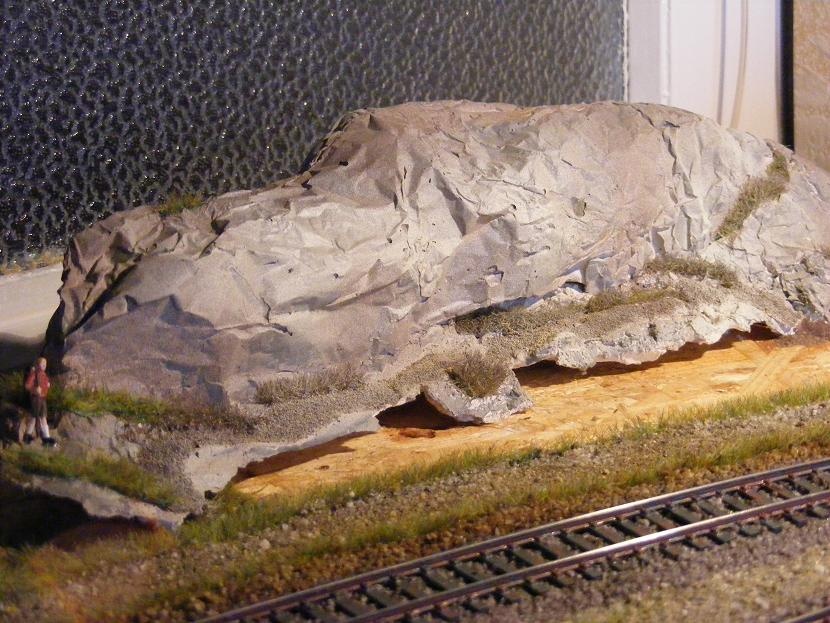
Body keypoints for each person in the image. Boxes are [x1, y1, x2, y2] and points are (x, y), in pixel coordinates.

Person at [19, 357, 57, 447]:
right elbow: (27, 385)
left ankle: (45, 437)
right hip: (36, 398)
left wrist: (47, 385)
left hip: (42, 398)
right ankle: (29, 435)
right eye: (42, 364)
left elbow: (45, 384)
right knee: (34, 417)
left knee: (43, 417)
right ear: (37, 365)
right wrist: (34, 389)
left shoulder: (44, 374)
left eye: (45, 364)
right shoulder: (34, 374)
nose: (44, 365)